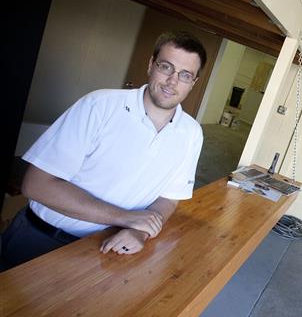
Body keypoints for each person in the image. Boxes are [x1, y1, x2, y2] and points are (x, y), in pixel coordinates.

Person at [1, 31, 207, 269]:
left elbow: (169, 198)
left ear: (193, 82)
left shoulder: (191, 133)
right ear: (151, 65)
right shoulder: (98, 106)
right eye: (166, 67)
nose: (173, 81)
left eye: (185, 75)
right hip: (39, 240)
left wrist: (142, 231)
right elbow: (36, 184)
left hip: (109, 253)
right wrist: (126, 218)